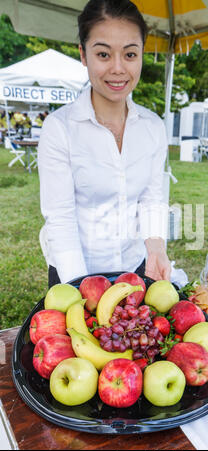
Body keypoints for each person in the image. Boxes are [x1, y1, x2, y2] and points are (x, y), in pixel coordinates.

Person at [38, 0, 171, 289]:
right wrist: (81, 287)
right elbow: (61, 218)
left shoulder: (153, 127)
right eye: (103, 54)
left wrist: (156, 248)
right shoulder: (59, 129)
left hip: (134, 268)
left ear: (141, 55)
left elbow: (152, 198)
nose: (118, 68)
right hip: (74, 271)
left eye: (130, 54)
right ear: (83, 55)